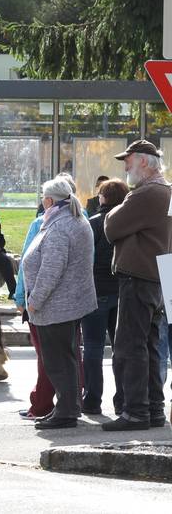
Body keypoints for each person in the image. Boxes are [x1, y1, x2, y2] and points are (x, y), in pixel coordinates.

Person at [103, 140, 172, 431]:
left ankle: (135, 412)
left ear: (144, 161)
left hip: (139, 276)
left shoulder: (146, 193)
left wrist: (116, 215)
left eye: (128, 160)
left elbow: (111, 226)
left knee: (131, 346)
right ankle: (153, 410)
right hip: (159, 276)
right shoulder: (167, 191)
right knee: (151, 346)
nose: (125, 167)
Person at [21, 177, 97, 430]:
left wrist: (34, 301)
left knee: (58, 361)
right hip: (67, 304)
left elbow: (51, 270)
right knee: (66, 358)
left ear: (49, 200)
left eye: (43, 198)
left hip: (56, 306)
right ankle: (68, 408)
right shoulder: (72, 219)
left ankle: (65, 412)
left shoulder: (60, 226)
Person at [82, 178, 129, 415]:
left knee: (92, 347)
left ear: (103, 198)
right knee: (121, 348)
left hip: (96, 291)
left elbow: (86, 258)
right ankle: (122, 400)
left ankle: (92, 400)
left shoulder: (93, 223)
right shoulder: (129, 222)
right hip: (122, 290)